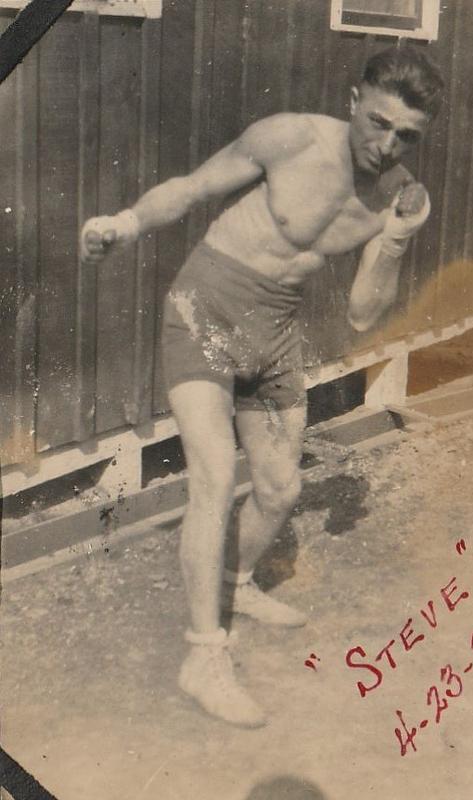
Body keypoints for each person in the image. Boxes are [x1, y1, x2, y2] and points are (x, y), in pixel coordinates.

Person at [80, 45, 444, 728]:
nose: (386, 144)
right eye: (379, 123)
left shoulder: (397, 197)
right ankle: (202, 655)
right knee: (215, 478)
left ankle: (236, 585)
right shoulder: (290, 137)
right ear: (354, 99)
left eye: (406, 137)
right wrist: (122, 225)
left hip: (275, 330)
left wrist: (394, 241)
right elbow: (190, 188)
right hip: (207, 308)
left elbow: (365, 313)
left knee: (280, 488)